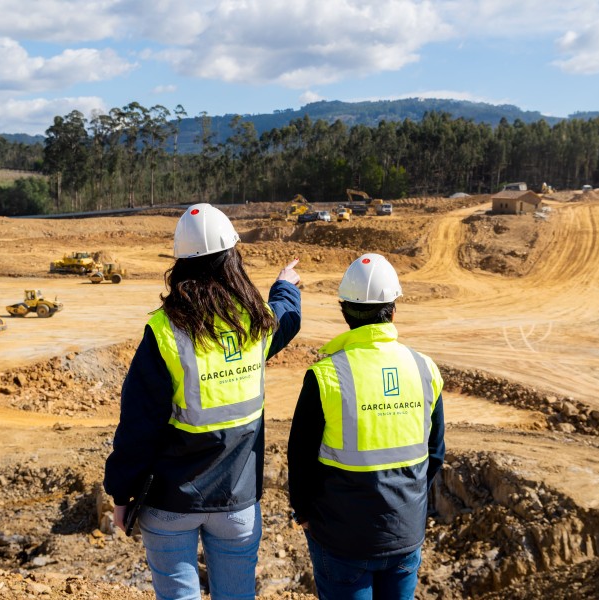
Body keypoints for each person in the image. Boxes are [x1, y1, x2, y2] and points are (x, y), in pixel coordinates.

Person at [104, 203, 302, 600]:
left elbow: (139, 427)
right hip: (237, 503)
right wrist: (286, 285)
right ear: (233, 258)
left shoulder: (165, 332)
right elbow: (287, 317)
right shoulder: (257, 323)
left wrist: (122, 493)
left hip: (171, 502)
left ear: (179, 264)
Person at [287, 253, 445, 600]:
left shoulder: (326, 376)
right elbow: (435, 453)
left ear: (344, 310)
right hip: (404, 533)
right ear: (393, 308)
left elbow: (300, 457)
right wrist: (411, 502)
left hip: (342, 539)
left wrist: (304, 512)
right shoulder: (425, 369)